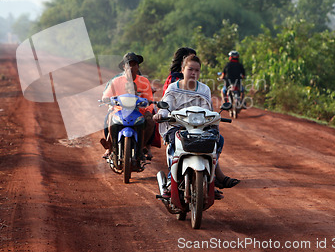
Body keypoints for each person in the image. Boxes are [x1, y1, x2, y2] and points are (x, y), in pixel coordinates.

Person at [153, 54, 239, 198]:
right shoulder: (173, 88)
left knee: (219, 140)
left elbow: (209, 110)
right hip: (178, 126)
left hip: (200, 127)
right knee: (174, 144)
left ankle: (210, 179)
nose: (193, 73)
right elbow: (165, 105)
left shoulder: (204, 90)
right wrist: (160, 114)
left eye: (197, 70)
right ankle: (170, 178)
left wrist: (215, 117)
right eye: (190, 69)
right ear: (182, 70)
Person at [101, 52, 155, 160]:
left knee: (150, 121)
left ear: (137, 67)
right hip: (119, 111)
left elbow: (150, 99)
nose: (131, 67)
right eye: (128, 64)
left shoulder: (144, 81)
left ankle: (141, 147)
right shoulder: (116, 81)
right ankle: (111, 147)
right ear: (123, 67)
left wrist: (148, 110)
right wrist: (106, 100)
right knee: (109, 118)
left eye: (134, 64)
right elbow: (106, 96)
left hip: (139, 112)